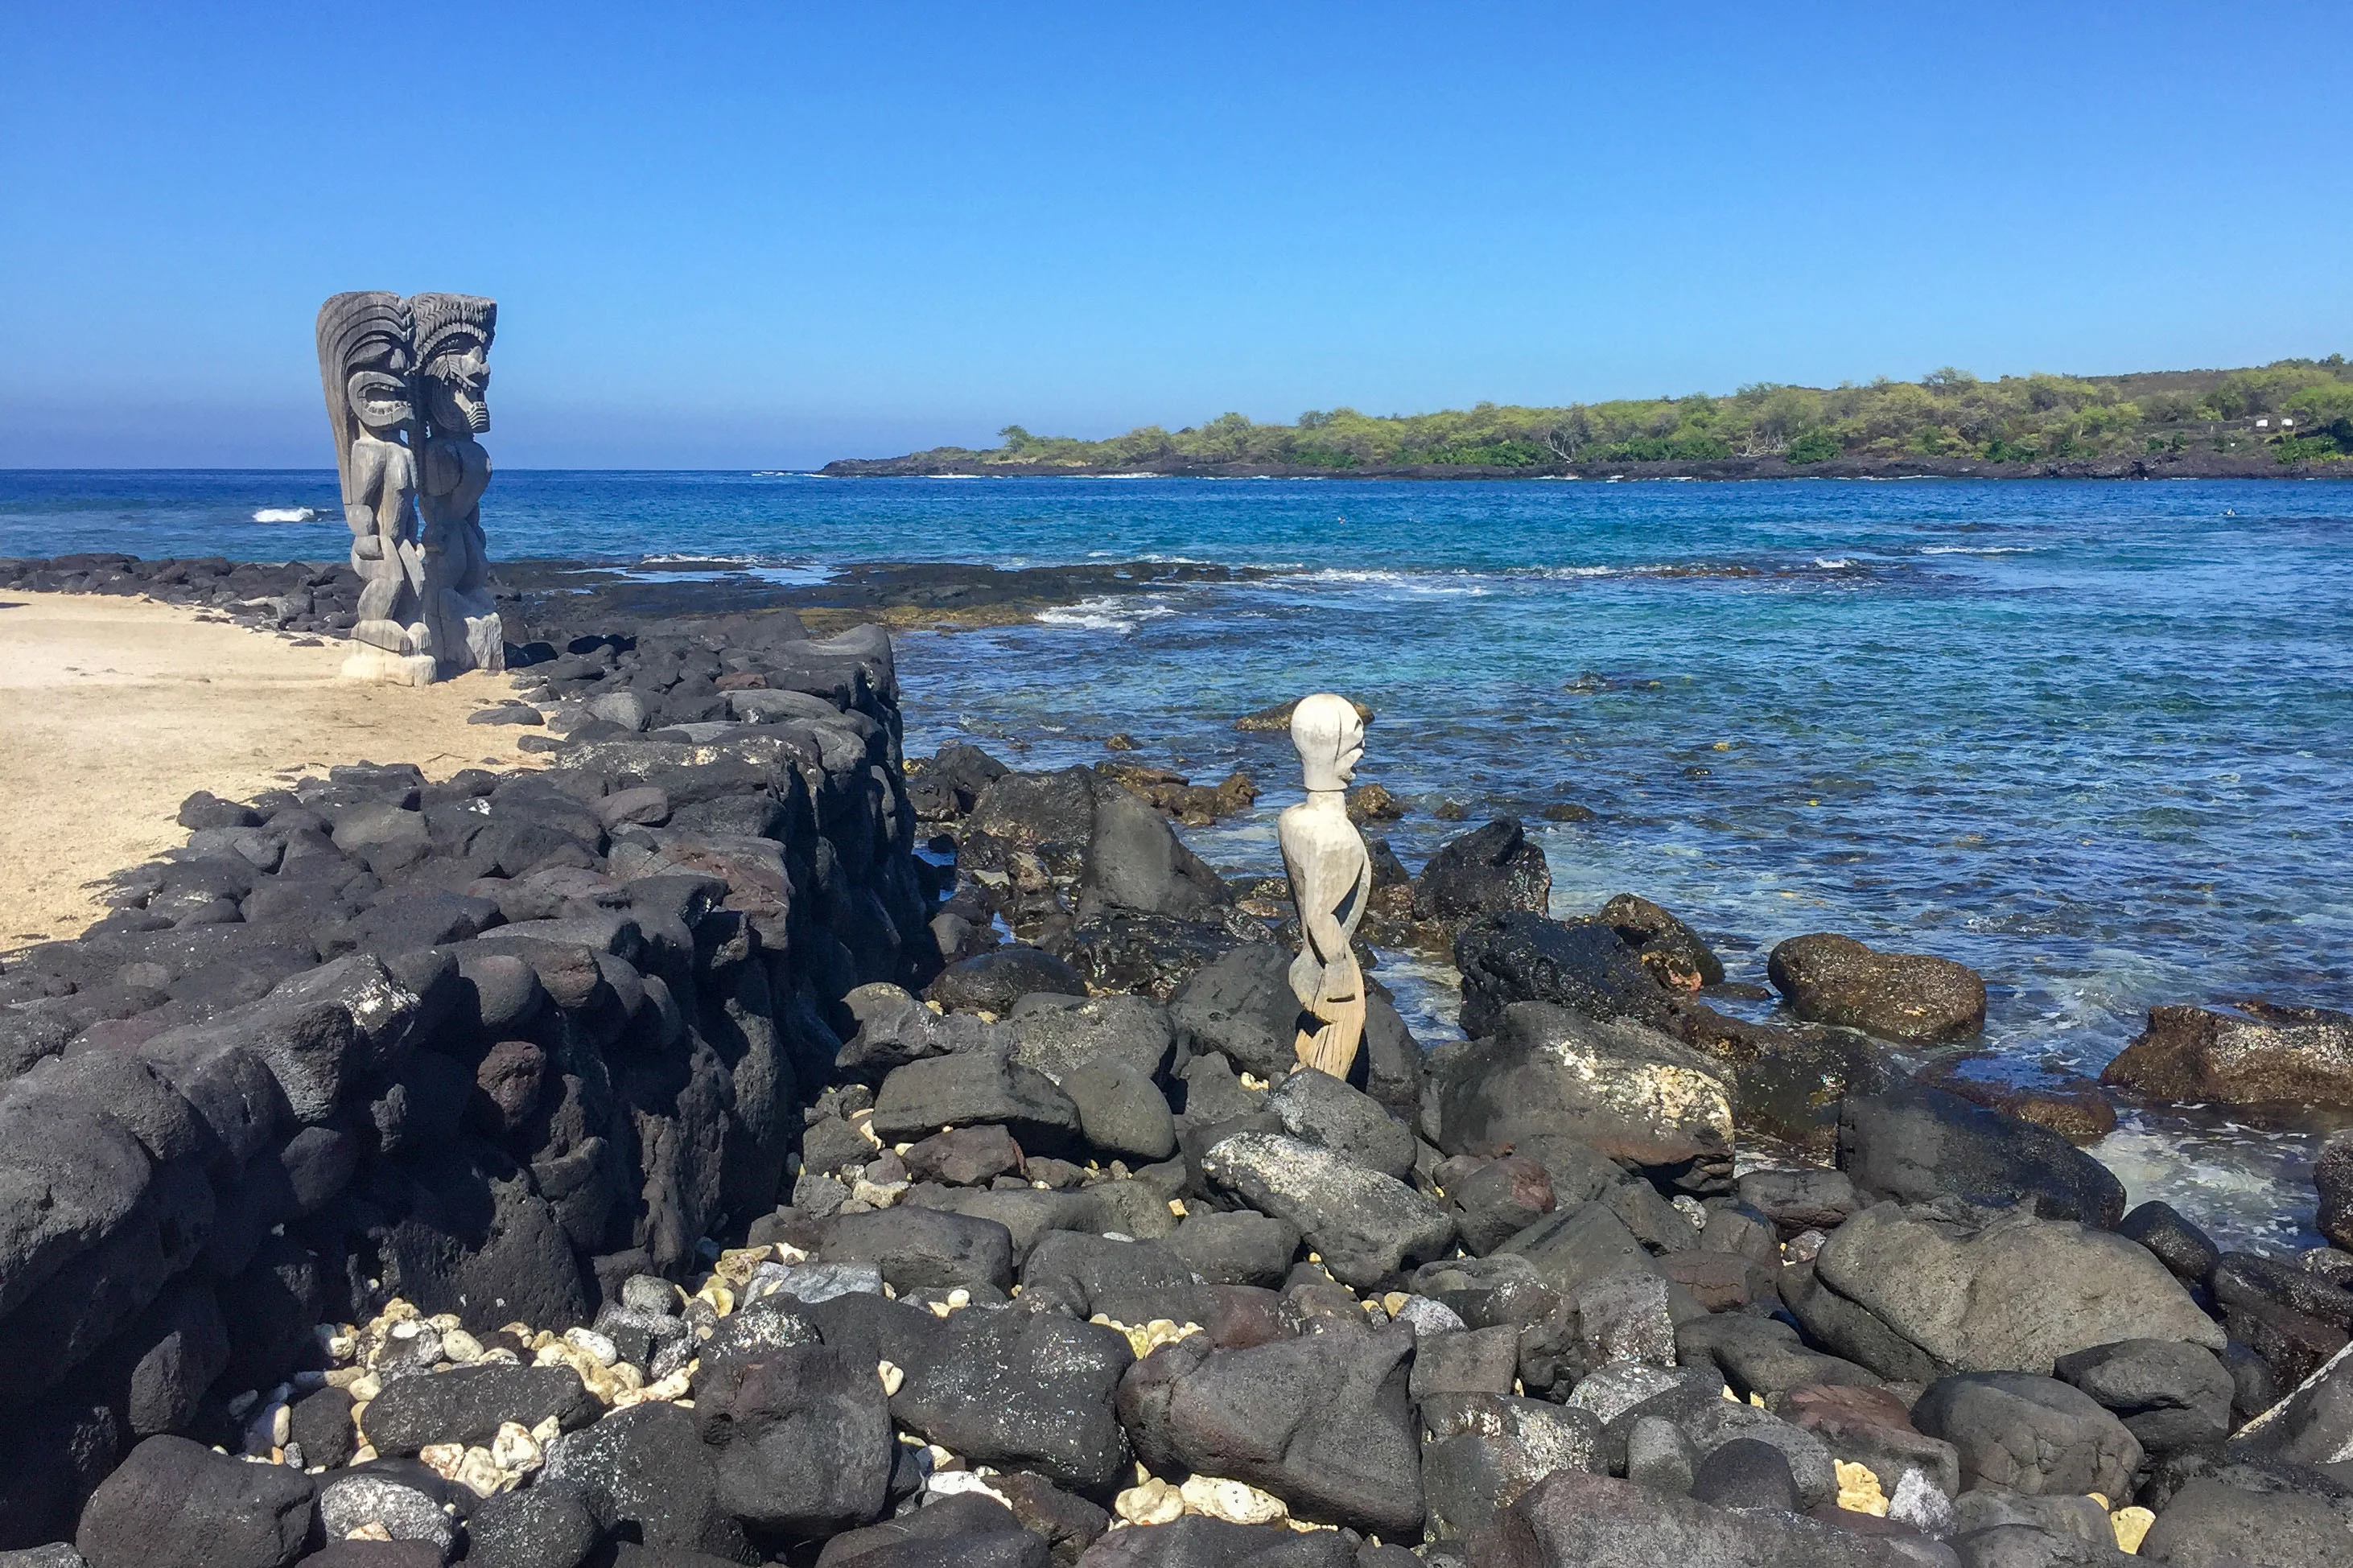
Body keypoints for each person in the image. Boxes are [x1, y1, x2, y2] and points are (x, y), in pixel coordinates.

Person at [1278, 693, 1372, 1076]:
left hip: (1307, 960)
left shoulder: (1290, 819)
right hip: (1332, 970)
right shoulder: (1334, 836)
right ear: (1331, 751)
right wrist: (1337, 969)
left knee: (1313, 1037)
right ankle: (1315, 1106)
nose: (1360, 755)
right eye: (1353, 746)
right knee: (1336, 1045)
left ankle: (1296, 1089)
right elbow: (1320, 915)